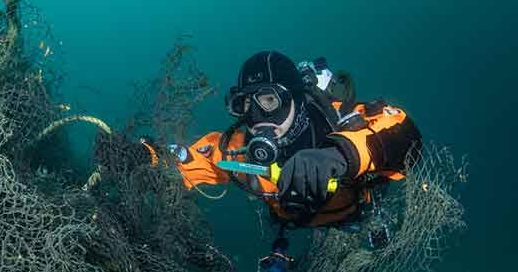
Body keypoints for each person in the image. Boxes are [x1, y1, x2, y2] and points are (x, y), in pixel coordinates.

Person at [172, 50, 422, 228]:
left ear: (297, 99)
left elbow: (404, 133)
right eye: (246, 105)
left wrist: (339, 154)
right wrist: (146, 156)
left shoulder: (338, 116)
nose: (257, 117)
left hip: (351, 214)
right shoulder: (237, 148)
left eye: (269, 101)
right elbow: (187, 161)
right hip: (291, 220)